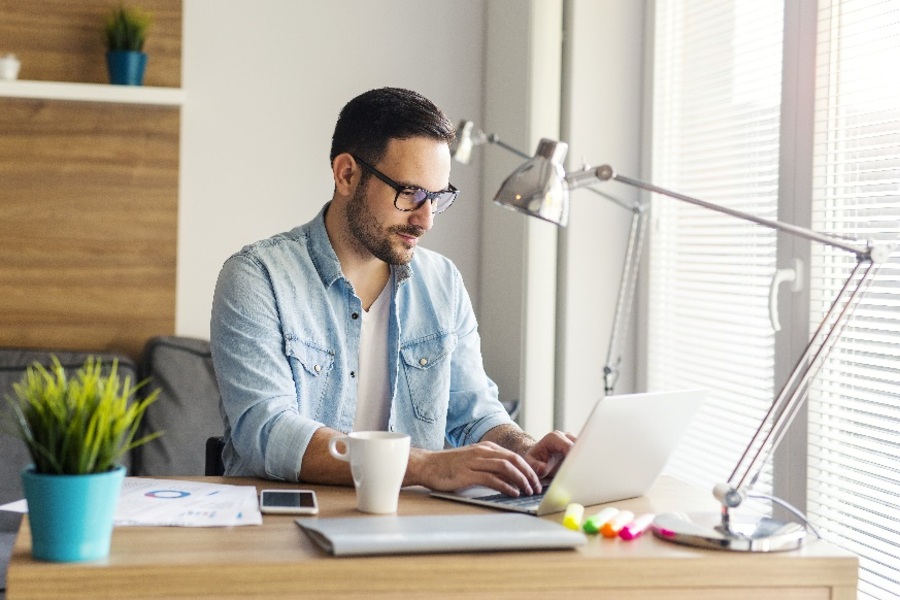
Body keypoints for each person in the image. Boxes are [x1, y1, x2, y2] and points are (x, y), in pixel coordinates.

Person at [210, 87, 574, 497]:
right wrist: (424, 466)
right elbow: (267, 432)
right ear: (346, 174)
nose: (426, 220)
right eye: (411, 194)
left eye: (436, 198)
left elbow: (473, 412)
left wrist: (524, 450)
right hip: (285, 527)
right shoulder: (258, 278)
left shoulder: (443, 283)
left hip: (414, 525)